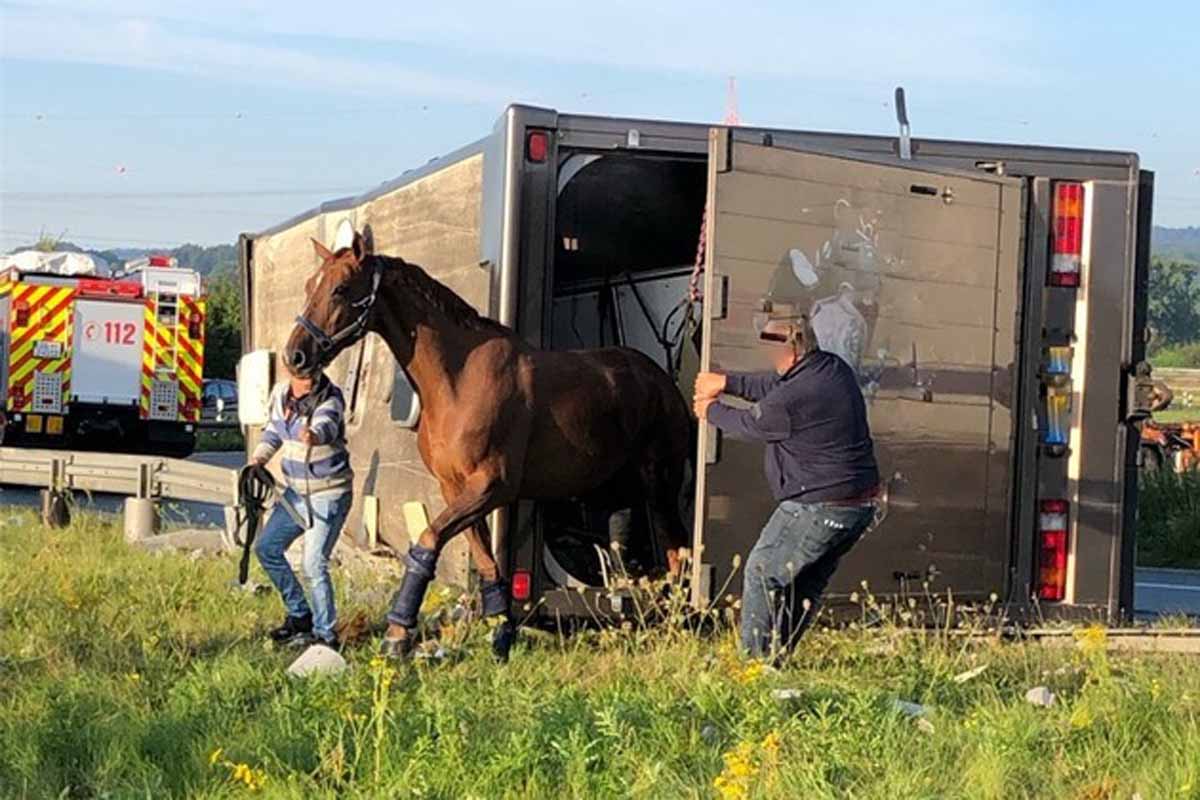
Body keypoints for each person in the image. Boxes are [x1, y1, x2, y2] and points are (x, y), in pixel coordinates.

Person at [693, 314, 880, 659]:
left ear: (791, 351)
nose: (768, 357)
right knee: (802, 585)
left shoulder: (795, 396)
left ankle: (754, 665)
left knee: (761, 572)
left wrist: (710, 410)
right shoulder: (831, 368)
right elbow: (775, 385)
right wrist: (727, 383)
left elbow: (752, 424)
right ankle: (776, 658)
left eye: (772, 349)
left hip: (818, 504)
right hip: (857, 507)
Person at [250, 370, 354, 649]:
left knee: (313, 564)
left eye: (313, 374)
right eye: (304, 375)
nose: (310, 380)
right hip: (296, 493)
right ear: (292, 375)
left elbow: (327, 425)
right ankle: (299, 616)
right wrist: (259, 459)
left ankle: (325, 635)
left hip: (328, 493)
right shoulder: (280, 395)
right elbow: (274, 432)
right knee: (267, 548)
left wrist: (314, 435)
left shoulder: (330, 397)